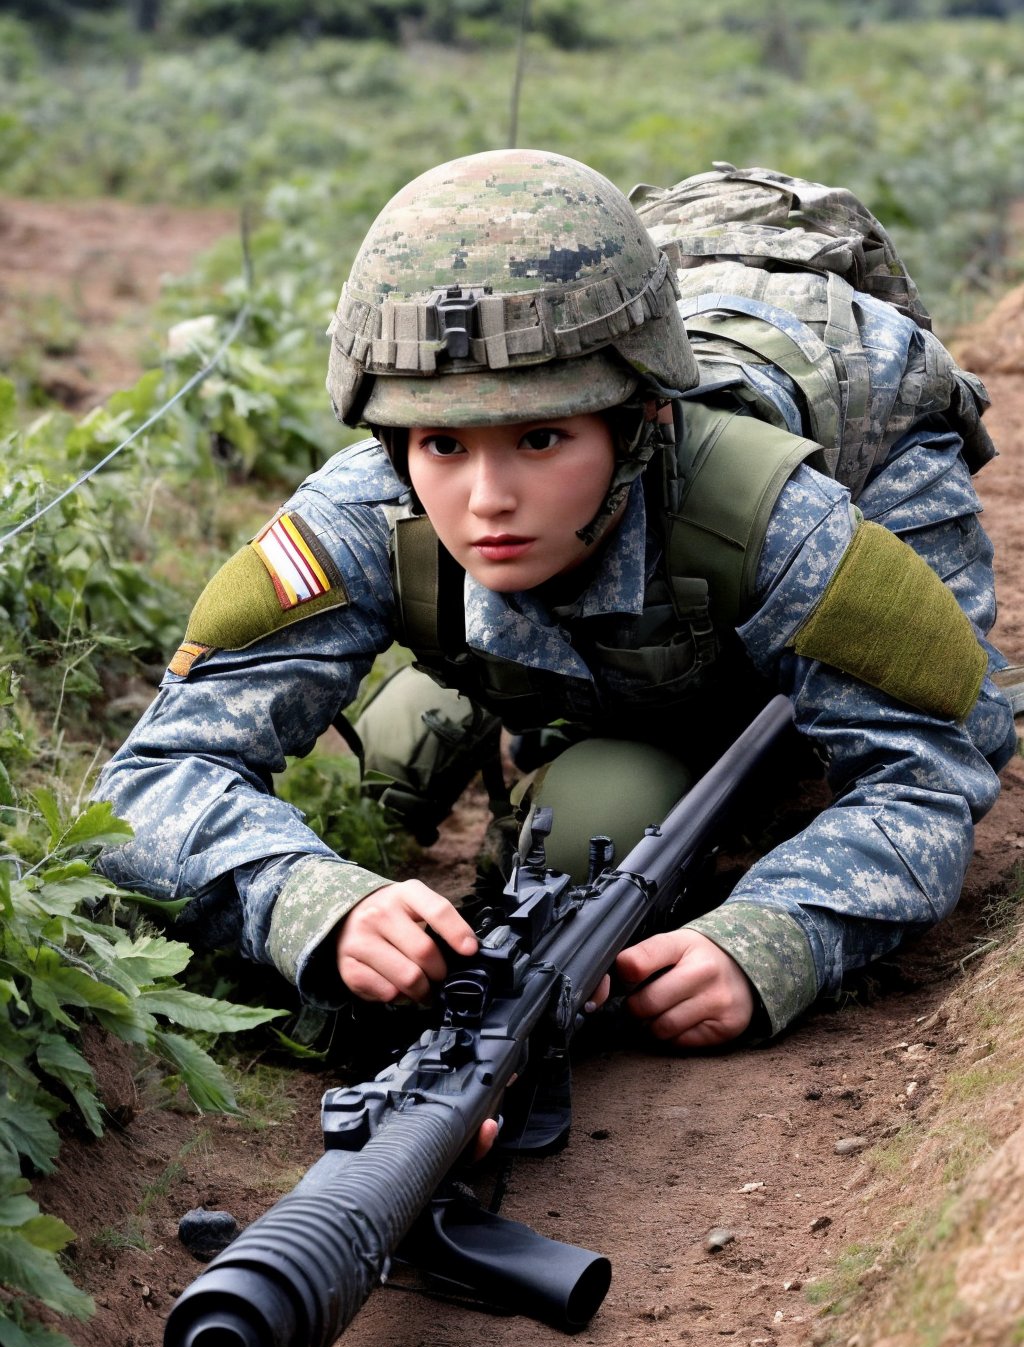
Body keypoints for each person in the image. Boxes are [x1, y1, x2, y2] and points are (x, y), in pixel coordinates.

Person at [94, 149, 1018, 1053]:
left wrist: (775, 939)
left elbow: (930, 771)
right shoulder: (366, 512)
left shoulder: (778, 516)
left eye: (540, 439)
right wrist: (310, 899)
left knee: (617, 817)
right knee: (395, 760)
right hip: (601, 589)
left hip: (867, 412)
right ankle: (510, 676)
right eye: (442, 445)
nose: (487, 498)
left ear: (640, 422)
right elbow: (150, 781)